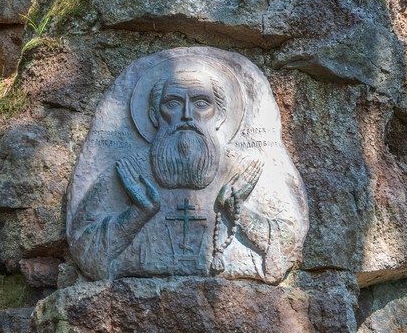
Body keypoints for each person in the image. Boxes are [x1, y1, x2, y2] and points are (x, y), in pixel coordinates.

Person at [69, 57, 306, 284]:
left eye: (201, 103)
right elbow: (84, 248)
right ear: (154, 115)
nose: (186, 115)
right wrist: (137, 213)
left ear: (220, 115)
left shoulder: (245, 170)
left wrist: (238, 212)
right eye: (172, 103)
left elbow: (286, 246)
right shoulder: (129, 171)